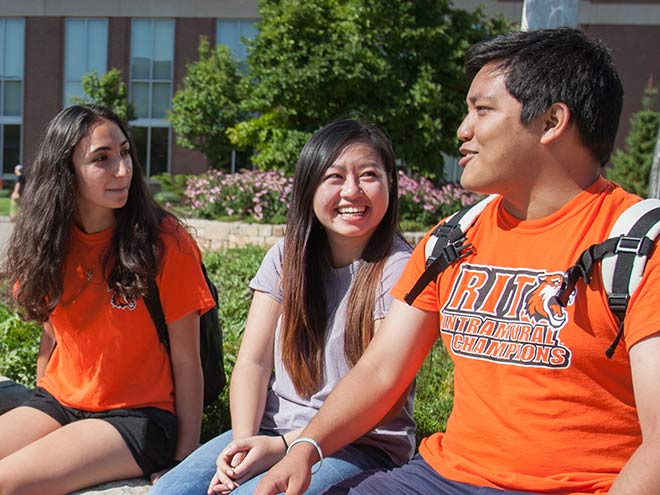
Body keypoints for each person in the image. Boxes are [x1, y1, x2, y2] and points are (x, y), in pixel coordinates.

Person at [253, 28, 660, 495]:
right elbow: (381, 371)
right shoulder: (452, 239)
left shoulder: (638, 244)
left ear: (551, 122)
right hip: (441, 478)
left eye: (481, 110)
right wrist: (306, 447)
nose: (462, 131)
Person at [151, 119, 415, 495]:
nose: (352, 191)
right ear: (309, 188)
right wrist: (243, 445)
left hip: (358, 445)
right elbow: (252, 363)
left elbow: (381, 394)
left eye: (369, 174)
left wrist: (282, 447)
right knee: (168, 492)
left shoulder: (398, 269)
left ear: (390, 183)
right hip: (270, 431)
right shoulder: (286, 257)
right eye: (334, 177)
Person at [0, 104, 215, 494]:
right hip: (61, 402)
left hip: (138, 416)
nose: (123, 169)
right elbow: (53, 335)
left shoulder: (165, 242)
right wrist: (41, 401)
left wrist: (184, 460)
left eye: (125, 152)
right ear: (65, 171)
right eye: (102, 158)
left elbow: (187, 360)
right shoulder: (47, 242)